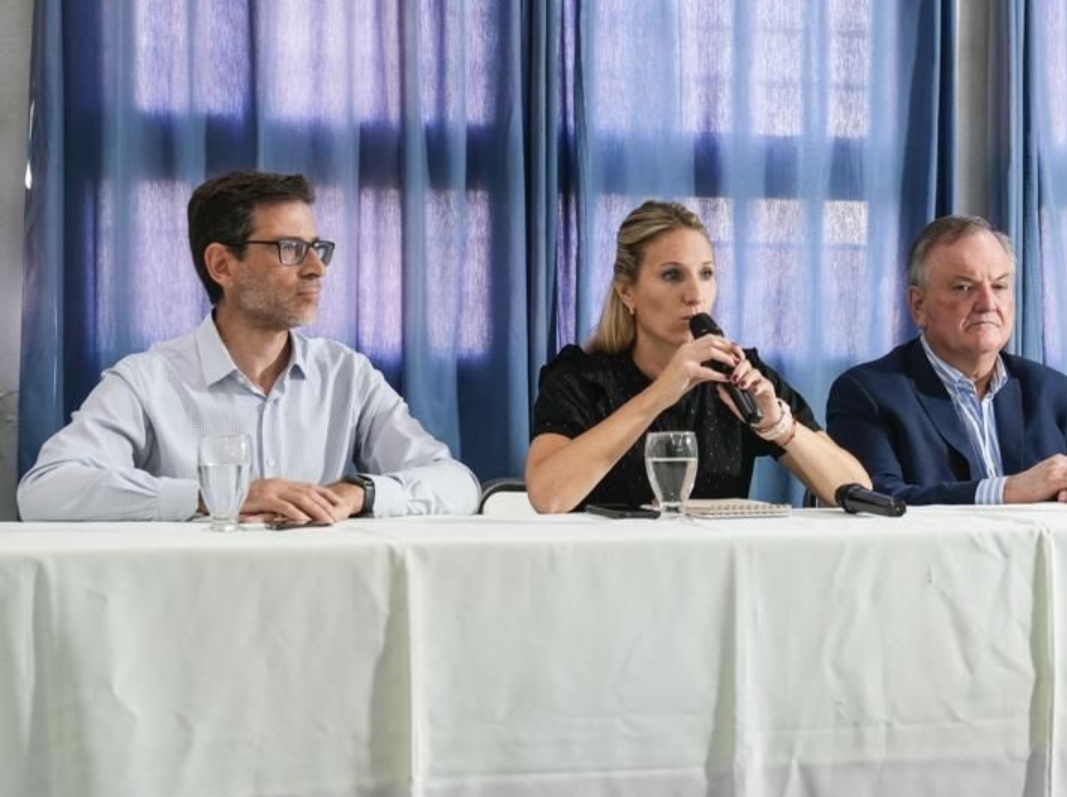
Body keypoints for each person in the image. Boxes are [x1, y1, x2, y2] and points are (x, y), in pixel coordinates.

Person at [18, 170, 480, 523]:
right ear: (222, 265)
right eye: (291, 249)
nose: (317, 269)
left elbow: (457, 483)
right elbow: (44, 490)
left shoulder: (348, 375)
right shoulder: (146, 380)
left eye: (318, 248)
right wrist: (215, 497)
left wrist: (362, 492)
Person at [524, 200, 868, 512]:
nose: (695, 295)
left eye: (706, 273)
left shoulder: (740, 373)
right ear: (627, 292)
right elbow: (547, 497)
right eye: (672, 275)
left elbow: (859, 489)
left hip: (717, 560)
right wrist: (660, 394)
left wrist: (777, 425)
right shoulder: (579, 378)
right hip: (609, 560)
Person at [826, 215, 1067, 506]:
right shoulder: (868, 394)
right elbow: (877, 499)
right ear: (918, 306)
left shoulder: (1053, 391)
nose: (988, 304)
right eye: (964, 287)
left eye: (1000, 286)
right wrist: (1007, 490)